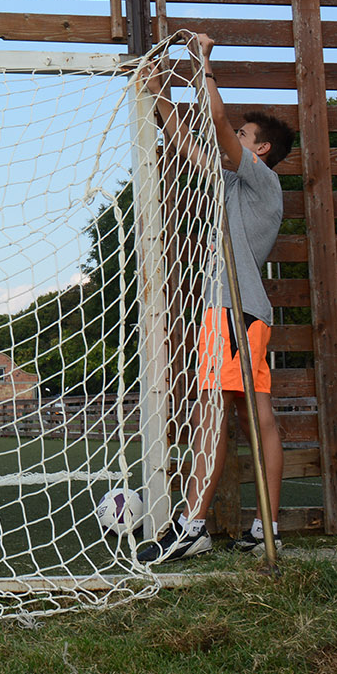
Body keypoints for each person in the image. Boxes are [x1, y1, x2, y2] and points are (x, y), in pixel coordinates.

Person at [137, 32, 295, 562]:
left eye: (245, 136)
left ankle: (195, 525)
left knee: (223, 415)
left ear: (261, 148)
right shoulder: (231, 183)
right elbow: (188, 139)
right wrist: (157, 90)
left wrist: (202, 60)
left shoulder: (263, 183)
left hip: (237, 310)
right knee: (240, 414)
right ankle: (254, 527)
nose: (234, 139)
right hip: (227, 310)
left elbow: (216, 122)